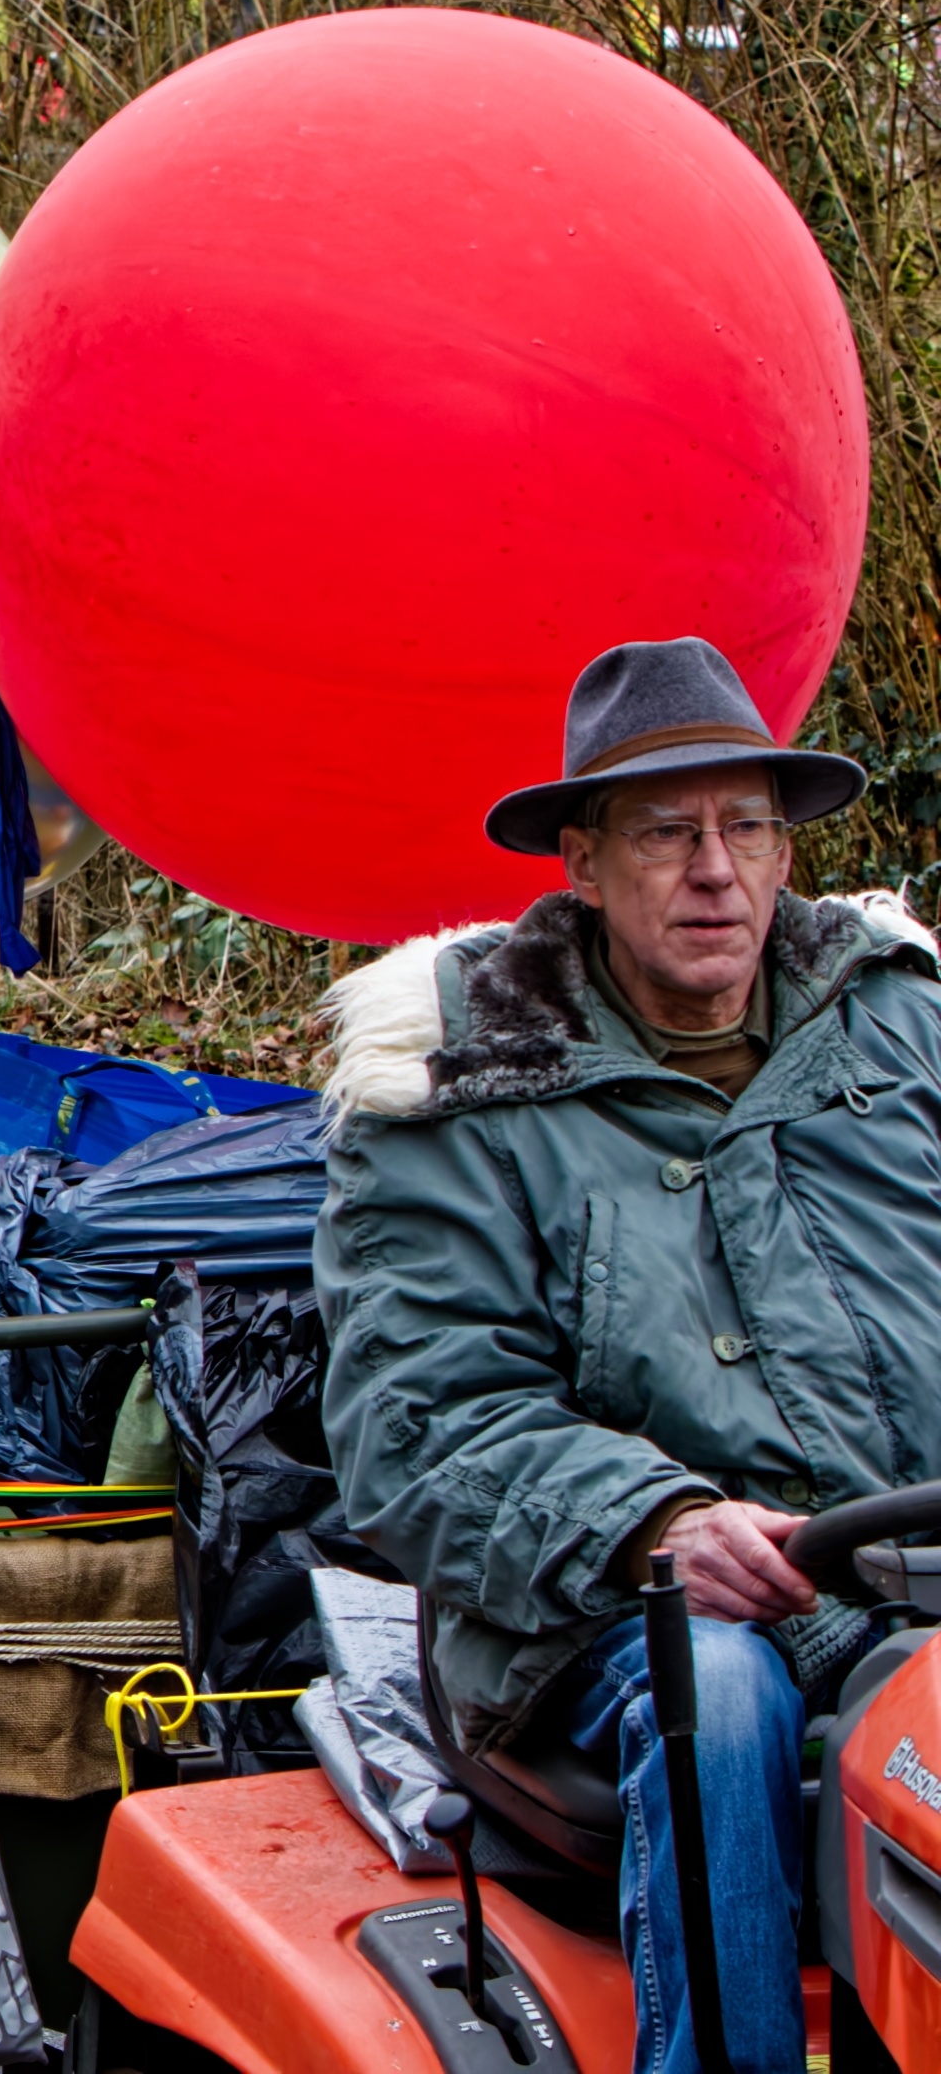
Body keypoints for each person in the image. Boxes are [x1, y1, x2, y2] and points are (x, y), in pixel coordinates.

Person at [315, 635, 941, 2074]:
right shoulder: (451, 1097)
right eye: (667, 832)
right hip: (597, 1609)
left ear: (788, 856)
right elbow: (420, 1423)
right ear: (585, 867)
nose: (714, 869)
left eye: (745, 828)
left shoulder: (905, 1034)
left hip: (915, 1566)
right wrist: (654, 1522)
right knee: (717, 1689)